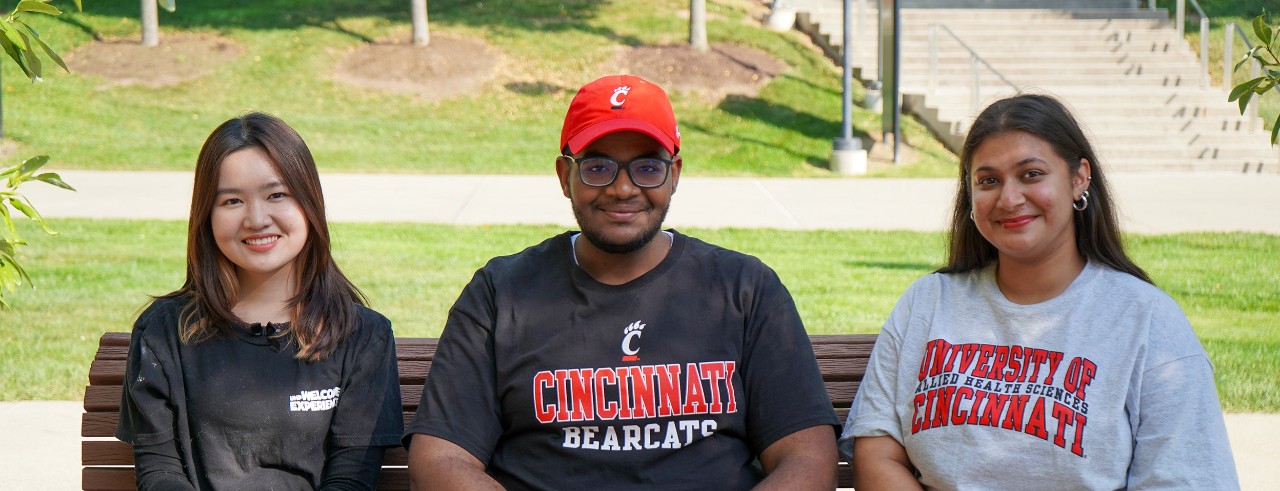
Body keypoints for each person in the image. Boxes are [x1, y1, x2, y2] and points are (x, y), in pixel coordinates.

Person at [404, 74, 839, 490]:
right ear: (564, 176)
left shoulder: (744, 288)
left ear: (675, 174)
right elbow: (441, 458)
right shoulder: (502, 292)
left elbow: (808, 458)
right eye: (598, 167)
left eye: (647, 167)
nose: (623, 188)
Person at [839, 94, 1239, 489]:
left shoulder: (1146, 320)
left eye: (1031, 174)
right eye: (989, 180)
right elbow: (878, 454)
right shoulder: (928, 303)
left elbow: (1187, 479)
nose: (1009, 198)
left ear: (1079, 177)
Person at [116, 112, 404, 490]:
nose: (256, 219)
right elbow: (160, 475)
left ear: (309, 202)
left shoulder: (363, 336)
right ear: (207, 216)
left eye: (276, 195)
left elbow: (351, 481)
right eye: (232, 200)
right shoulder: (163, 331)